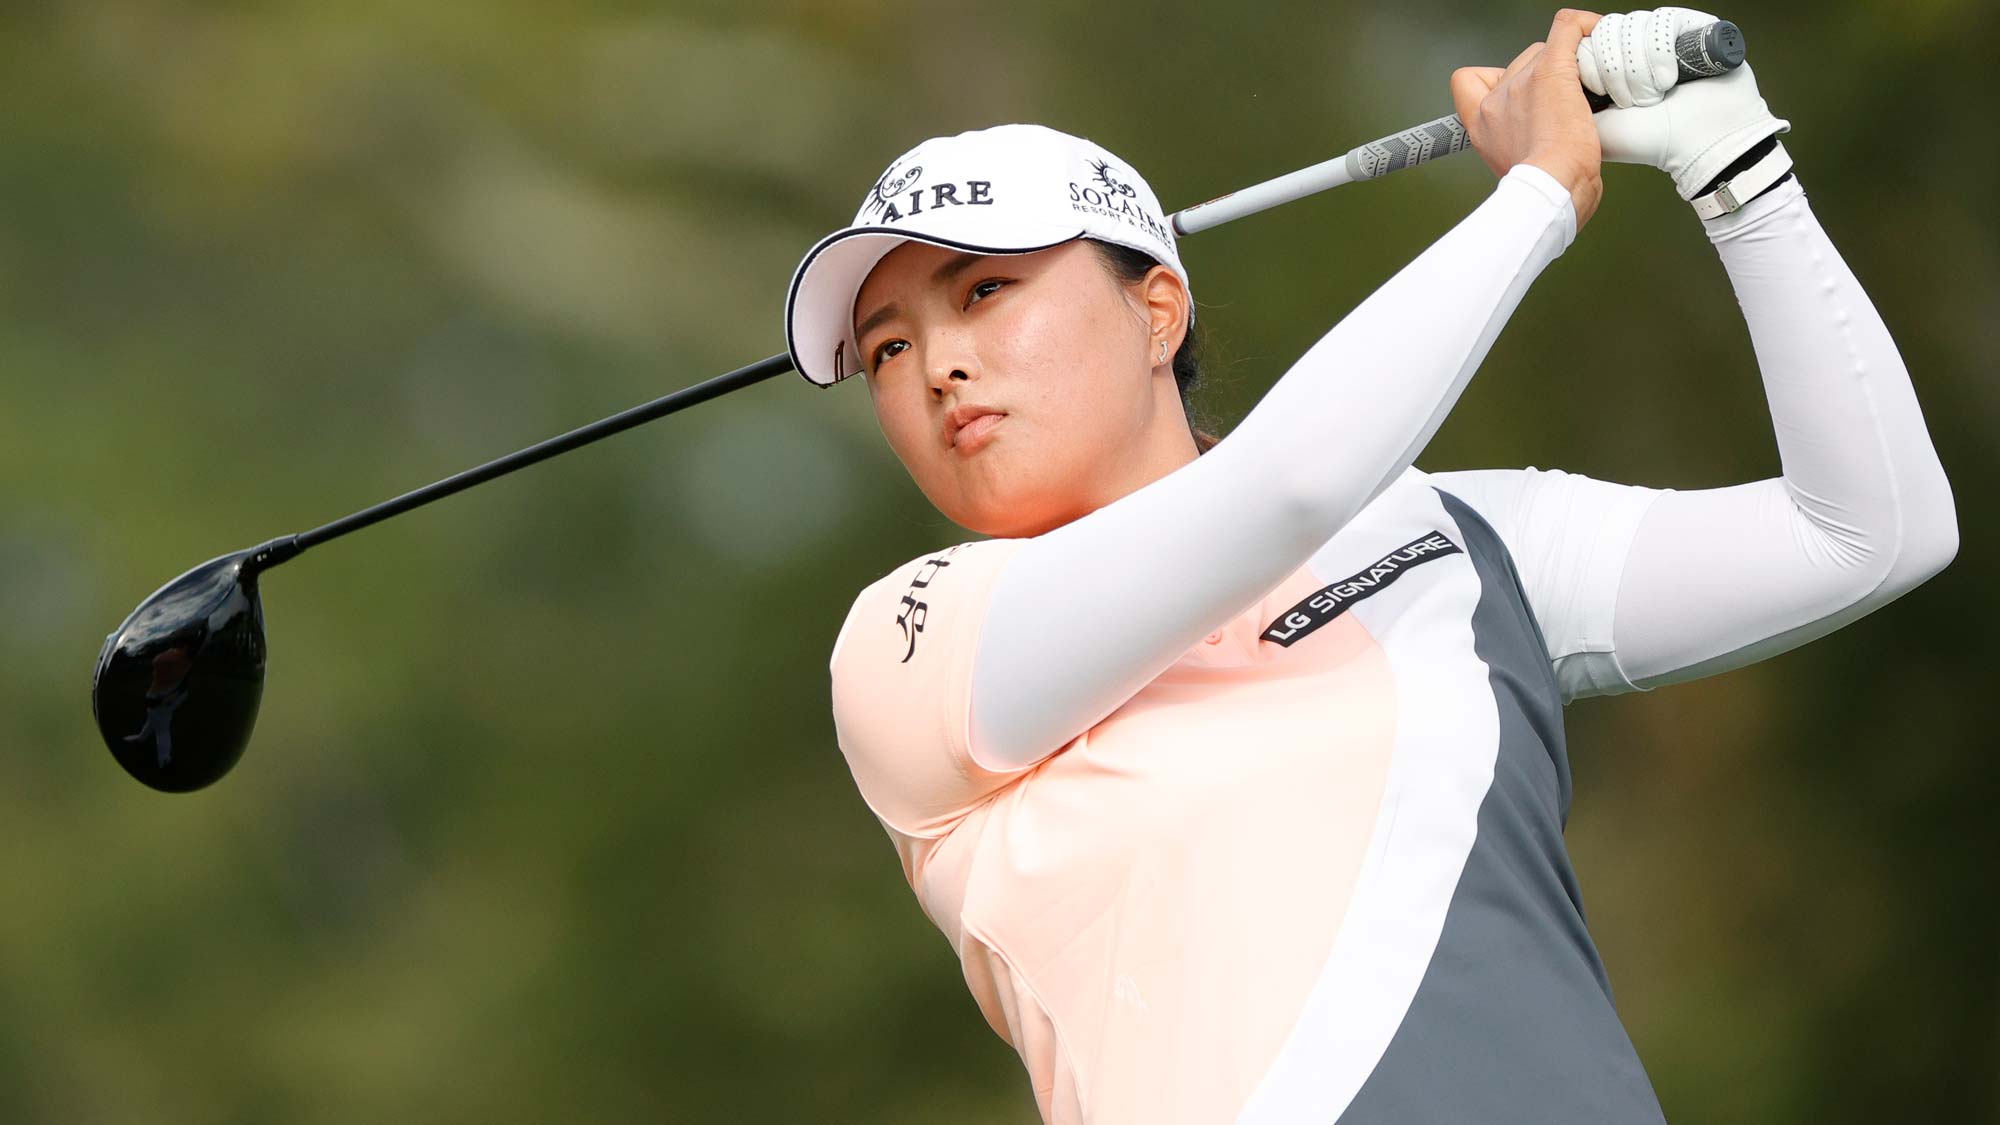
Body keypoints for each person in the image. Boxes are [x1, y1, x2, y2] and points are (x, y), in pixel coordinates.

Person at [782, 8, 1957, 1123]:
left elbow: (1868, 534)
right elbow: (1287, 486)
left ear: (1157, 310)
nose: (936, 366)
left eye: (985, 291)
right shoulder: (913, 645)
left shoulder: (1454, 536)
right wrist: (1538, 195)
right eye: (886, 348)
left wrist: (1735, 168)